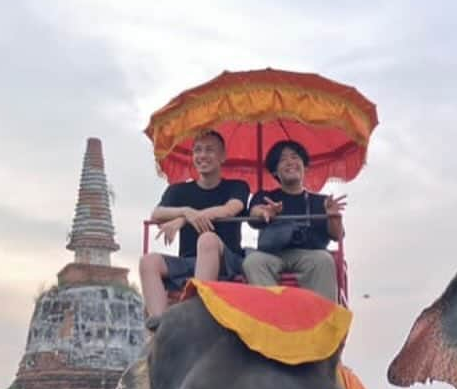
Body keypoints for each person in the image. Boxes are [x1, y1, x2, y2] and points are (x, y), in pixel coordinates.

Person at [139, 129, 249, 323]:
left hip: (226, 260)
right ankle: (159, 326)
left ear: (222, 156)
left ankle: (195, 317)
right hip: (189, 261)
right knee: (148, 262)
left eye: (209, 150)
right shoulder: (179, 190)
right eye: (197, 150)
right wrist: (186, 211)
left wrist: (184, 219)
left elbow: (231, 209)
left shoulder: (237, 186)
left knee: (207, 240)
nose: (202, 155)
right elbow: (156, 214)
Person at [243, 140, 345, 302]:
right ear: (275, 171)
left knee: (324, 260)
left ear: (305, 166)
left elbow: (337, 235)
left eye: (294, 157)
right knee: (253, 261)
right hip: (273, 254)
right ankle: (271, 317)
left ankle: (322, 320)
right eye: (283, 160)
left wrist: (332, 216)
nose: (290, 162)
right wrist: (265, 212)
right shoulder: (266, 197)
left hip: (310, 255)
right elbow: (254, 215)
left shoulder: (322, 201)